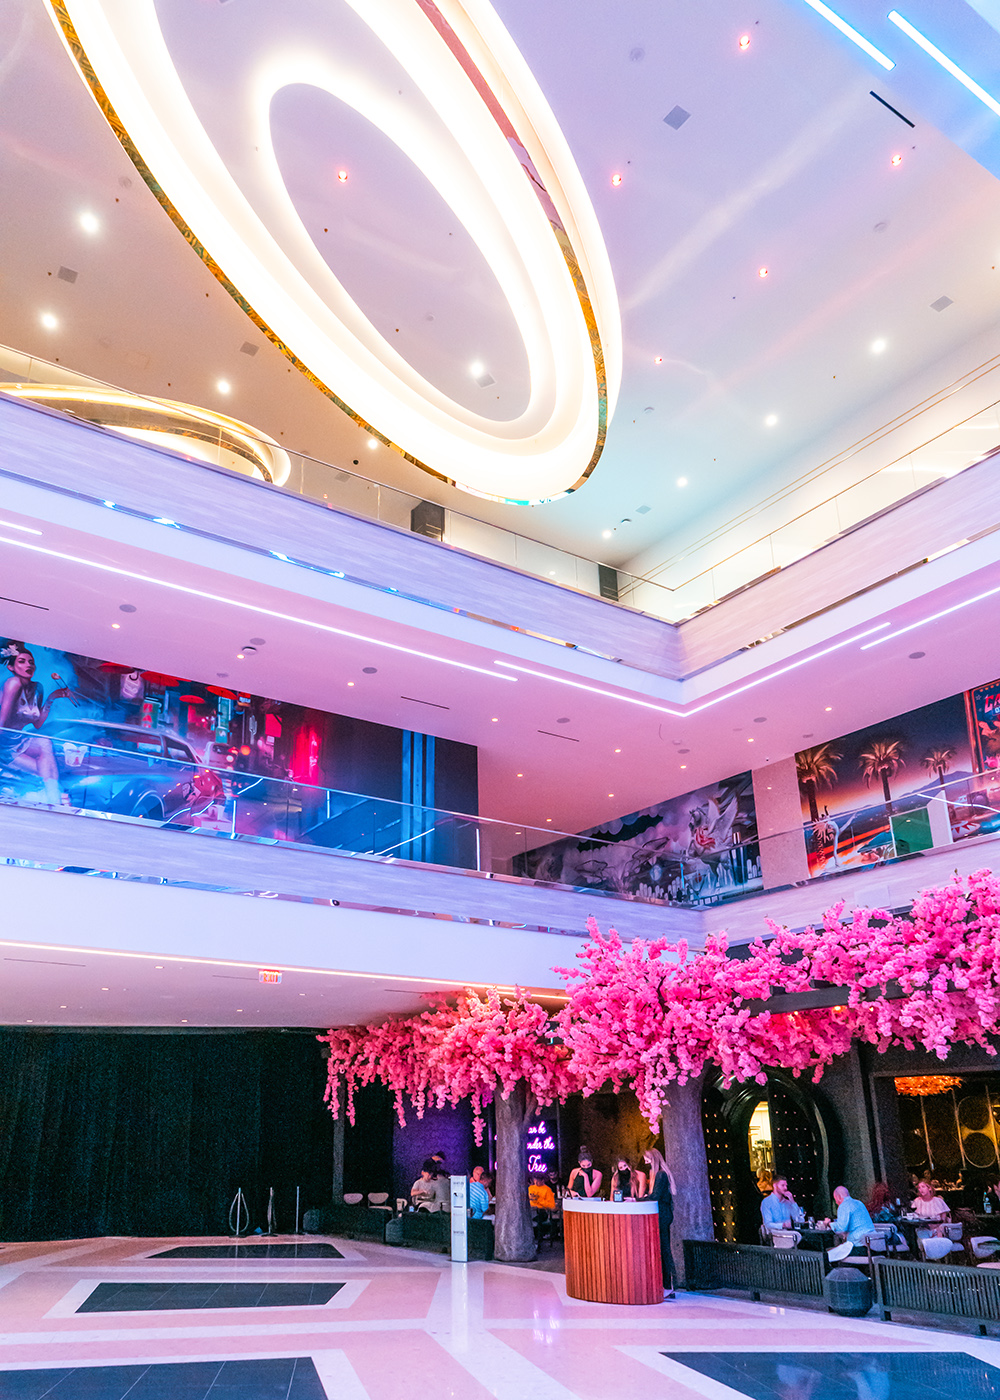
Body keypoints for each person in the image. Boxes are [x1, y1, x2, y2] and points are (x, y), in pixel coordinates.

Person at [0, 642, 71, 807]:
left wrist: (52, 697)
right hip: (4, 742)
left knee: (44, 751)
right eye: (22, 661)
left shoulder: (37, 688)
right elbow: (2, 722)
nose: (28, 665)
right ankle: (54, 801)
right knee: (44, 762)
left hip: (17, 740)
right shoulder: (13, 683)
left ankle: (52, 801)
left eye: (31, 662)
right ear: (11, 667)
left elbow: (38, 724)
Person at [643, 1148, 676, 1300]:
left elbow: (655, 1196)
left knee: (664, 1249)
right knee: (663, 1248)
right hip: (663, 1213)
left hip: (662, 1214)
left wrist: (639, 1200)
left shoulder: (661, 1174)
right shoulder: (660, 1173)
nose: (645, 1161)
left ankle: (668, 1286)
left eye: (647, 1159)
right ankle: (666, 1286)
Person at [823, 1186, 875, 1262]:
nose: (837, 1203)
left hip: (859, 1247)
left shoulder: (844, 1206)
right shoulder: (859, 1203)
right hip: (873, 1246)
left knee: (827, 1255)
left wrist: (828, 1224)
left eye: (835, 1200)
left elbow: (841, 1228)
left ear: (838, 1197)